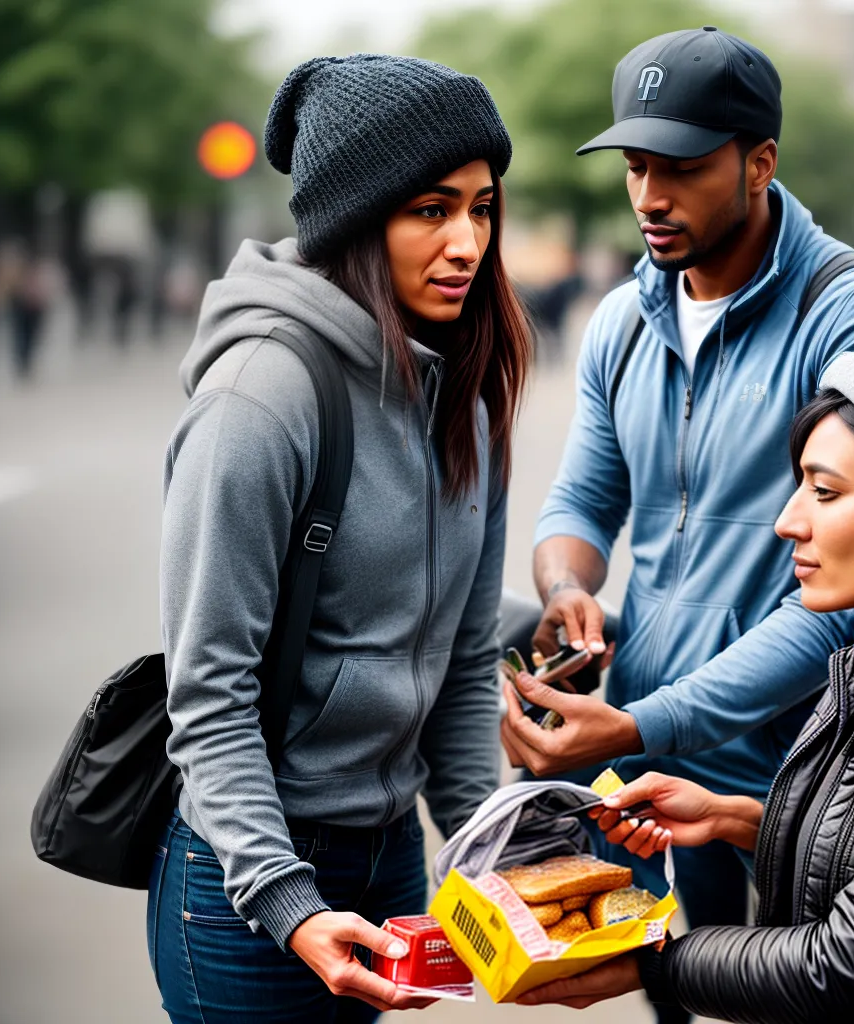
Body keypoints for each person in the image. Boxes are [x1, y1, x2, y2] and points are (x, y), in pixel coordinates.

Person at [499, 25, 854, 993]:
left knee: (814, 993)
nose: (650, 197)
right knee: (669, 986)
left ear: (759, 161)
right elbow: (581, 497)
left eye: (683, 168)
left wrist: (640, 720)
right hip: (652, 766)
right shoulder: (622, 318)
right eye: (635, 165)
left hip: (812, 770)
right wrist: (568, 588)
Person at [149, 55, 530, 1023]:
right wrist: (286, 899)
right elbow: (208, 693)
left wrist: (487, 852)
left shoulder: (466, 399)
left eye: (482, 208)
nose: (467, 243)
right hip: (246, 878)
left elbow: (459, 662)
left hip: (389, 852)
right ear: (356, 218)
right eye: (430, 209)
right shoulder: (261, 398)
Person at [518, 332, 854, 1023]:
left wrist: (649, 965)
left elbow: (844, 966)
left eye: (826, 493)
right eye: (798, 484)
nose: (786, 522)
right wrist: (739, 819)